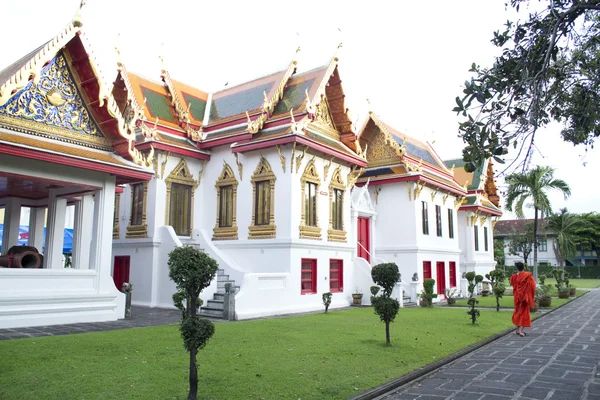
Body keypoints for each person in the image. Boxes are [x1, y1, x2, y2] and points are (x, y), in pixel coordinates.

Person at [510, 262, 536, 337]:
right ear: (523, 267)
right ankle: (521, 330)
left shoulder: (514, 276)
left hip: (517, 297)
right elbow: (533, 286)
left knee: (518, 312)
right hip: (524, 297)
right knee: (524, 313)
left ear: (517, 268)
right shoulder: (527, 276)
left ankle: (518, 330)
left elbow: (512, 284)